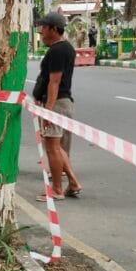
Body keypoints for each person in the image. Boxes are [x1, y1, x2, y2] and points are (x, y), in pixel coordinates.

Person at [32, 13, 82, 202]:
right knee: (57, 147)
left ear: (54, 29)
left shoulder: (57, 51)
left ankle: (57, 190)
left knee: (52, 148)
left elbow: (54, 82)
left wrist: (48, 110)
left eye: (44, 28)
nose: (41, 32)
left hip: (57, 103)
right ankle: (73, 182)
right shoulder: (66, 48)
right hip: (63, 102)